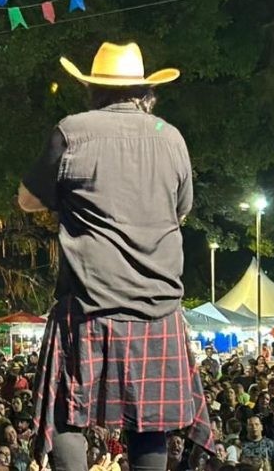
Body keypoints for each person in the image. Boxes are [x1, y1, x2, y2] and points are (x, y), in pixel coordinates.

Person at [20, 41, 211, 471]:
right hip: (157, 307)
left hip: (88, 303)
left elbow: (27, 201)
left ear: (94, 90)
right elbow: (182, 210)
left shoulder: (72, 129)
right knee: (149, 425)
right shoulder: (171, 137)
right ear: (147, 92)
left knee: (67, 414)